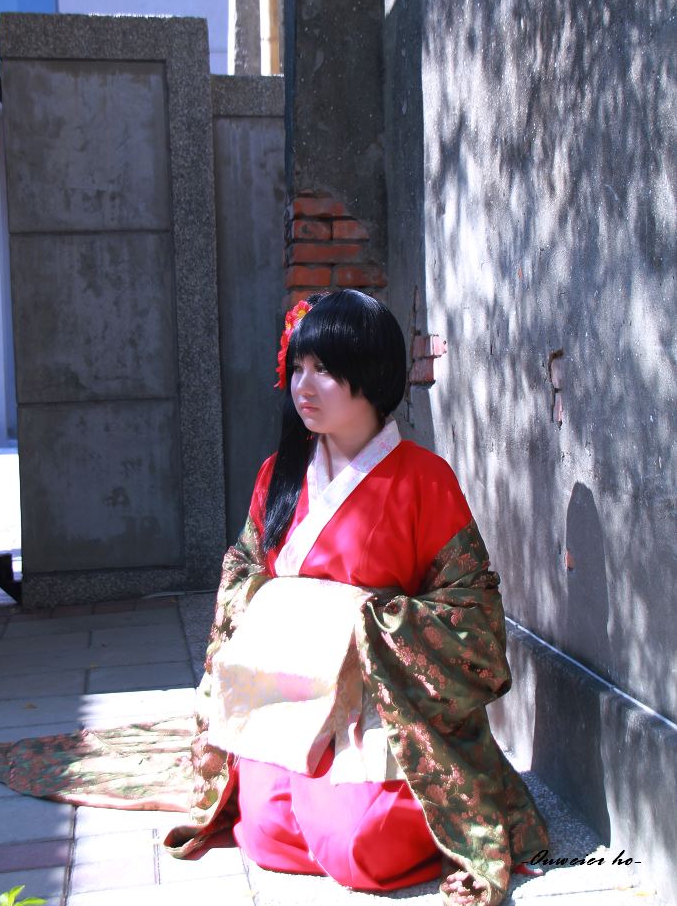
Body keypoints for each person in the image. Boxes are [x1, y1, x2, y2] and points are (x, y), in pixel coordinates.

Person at [163, 288, 549, 906]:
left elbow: (472, 614)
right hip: (290, 693)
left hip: (380, 701)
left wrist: (365, 620)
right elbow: (242, 569)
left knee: (360, 848)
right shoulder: (277, 475)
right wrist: (276, 601)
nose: (304, 386)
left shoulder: (425, 479)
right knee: (265, 834)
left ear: (371, 375)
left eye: (325, 369)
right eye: (298, 368)